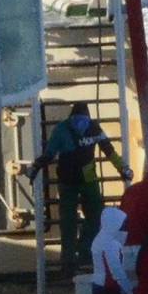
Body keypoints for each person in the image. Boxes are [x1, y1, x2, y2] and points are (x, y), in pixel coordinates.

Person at [25, 104, 124, 274]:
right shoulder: (62, 130)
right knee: (68, 222)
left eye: (83, 121)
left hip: (88, 180)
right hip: (68, 181)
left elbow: (108, 149)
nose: (81, 124)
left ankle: (84, 250)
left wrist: (122, 168)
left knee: (96, 216)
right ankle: (69, 260)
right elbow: (49, 153)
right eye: (77, 120)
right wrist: (36, 167)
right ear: (71, 119)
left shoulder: (93, 128)